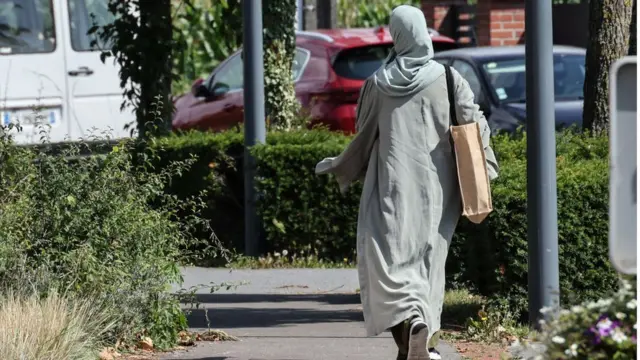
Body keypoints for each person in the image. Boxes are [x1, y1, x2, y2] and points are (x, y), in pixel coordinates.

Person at [315, 5, 499, 360]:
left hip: (391, 189)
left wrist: (340, 165)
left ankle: (408, 336)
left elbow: (363, 136)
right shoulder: (449, 78)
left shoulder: (379, 84)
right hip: (439, 192)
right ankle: (420, 333)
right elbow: (475, 126)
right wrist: (486, 168)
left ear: (398, 36)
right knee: (427, 264)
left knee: (389, 265)